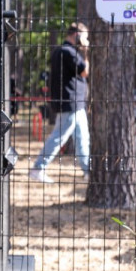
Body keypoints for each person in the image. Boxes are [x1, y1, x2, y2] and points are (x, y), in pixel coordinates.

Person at [29, 22, 90, 183]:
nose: (86, 41)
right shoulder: (69, 53)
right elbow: (84, 71)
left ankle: (88, 170)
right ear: (76, 35)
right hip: (70, 102)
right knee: (59, 137)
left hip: (75, 103)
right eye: (85, 37)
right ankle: (38, 168)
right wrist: (85, 51)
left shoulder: (59, 51)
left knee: (82, 138)